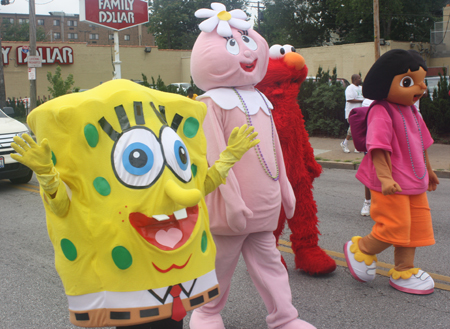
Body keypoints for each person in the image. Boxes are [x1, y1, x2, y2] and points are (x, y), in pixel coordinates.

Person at [189, 3, 315, 329]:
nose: (245, 51)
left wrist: (286, 190)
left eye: (246, 40)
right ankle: (206, 313)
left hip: (264, 206)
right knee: (220, 266)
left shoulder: (260, 99)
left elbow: (274, 152)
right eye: (233, 43)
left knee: (271, 264)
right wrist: (230, 202)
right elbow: (215, 157)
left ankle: (285, 317)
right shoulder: (210, 103)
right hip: (232, 210)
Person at [344, 49, 440, 295]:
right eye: (408, 82)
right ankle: (362, 250)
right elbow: (378, 147)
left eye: (421, 82)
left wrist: (429, 171)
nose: (419, 88)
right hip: (391, 182)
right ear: (385, 83)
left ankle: (404, 270)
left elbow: (422, 144)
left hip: (414, 181)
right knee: (394, 227)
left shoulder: (412, 111)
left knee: (414, 230)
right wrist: (385, 179)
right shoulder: (382, 110)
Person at [341, 74, 364, 153]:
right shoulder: (350, 88)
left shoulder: (361, 88)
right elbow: (349, 99)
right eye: (359, 78)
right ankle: (345, 143)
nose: (360, 79)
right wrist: (362, 101)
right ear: (354, 80)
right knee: (353, 128)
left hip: (360, 112)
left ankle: (355, 147)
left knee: (356, 129)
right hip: (351, 112)